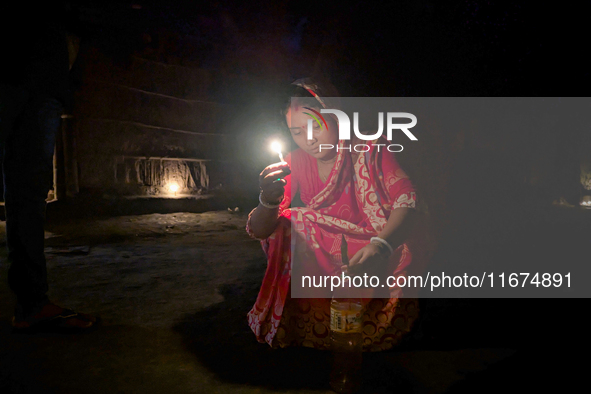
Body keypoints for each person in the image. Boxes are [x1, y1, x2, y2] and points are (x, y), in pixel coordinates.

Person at [246, 78, 419, 350]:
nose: (309, 140)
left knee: (404, 240)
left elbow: (408, 200)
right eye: (298, 132)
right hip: (325, 253)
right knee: (288, 221)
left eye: (316, 125)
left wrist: (382, 245)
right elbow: (261, 230)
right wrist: (267, 200)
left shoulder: (370, 148)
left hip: (372, 249)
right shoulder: (293, 163)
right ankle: (309, 321)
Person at [0, 4, 97, 331]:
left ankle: (31, 303)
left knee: (29, 195)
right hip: (12, 63)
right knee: (27, 195)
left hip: (46, 81)